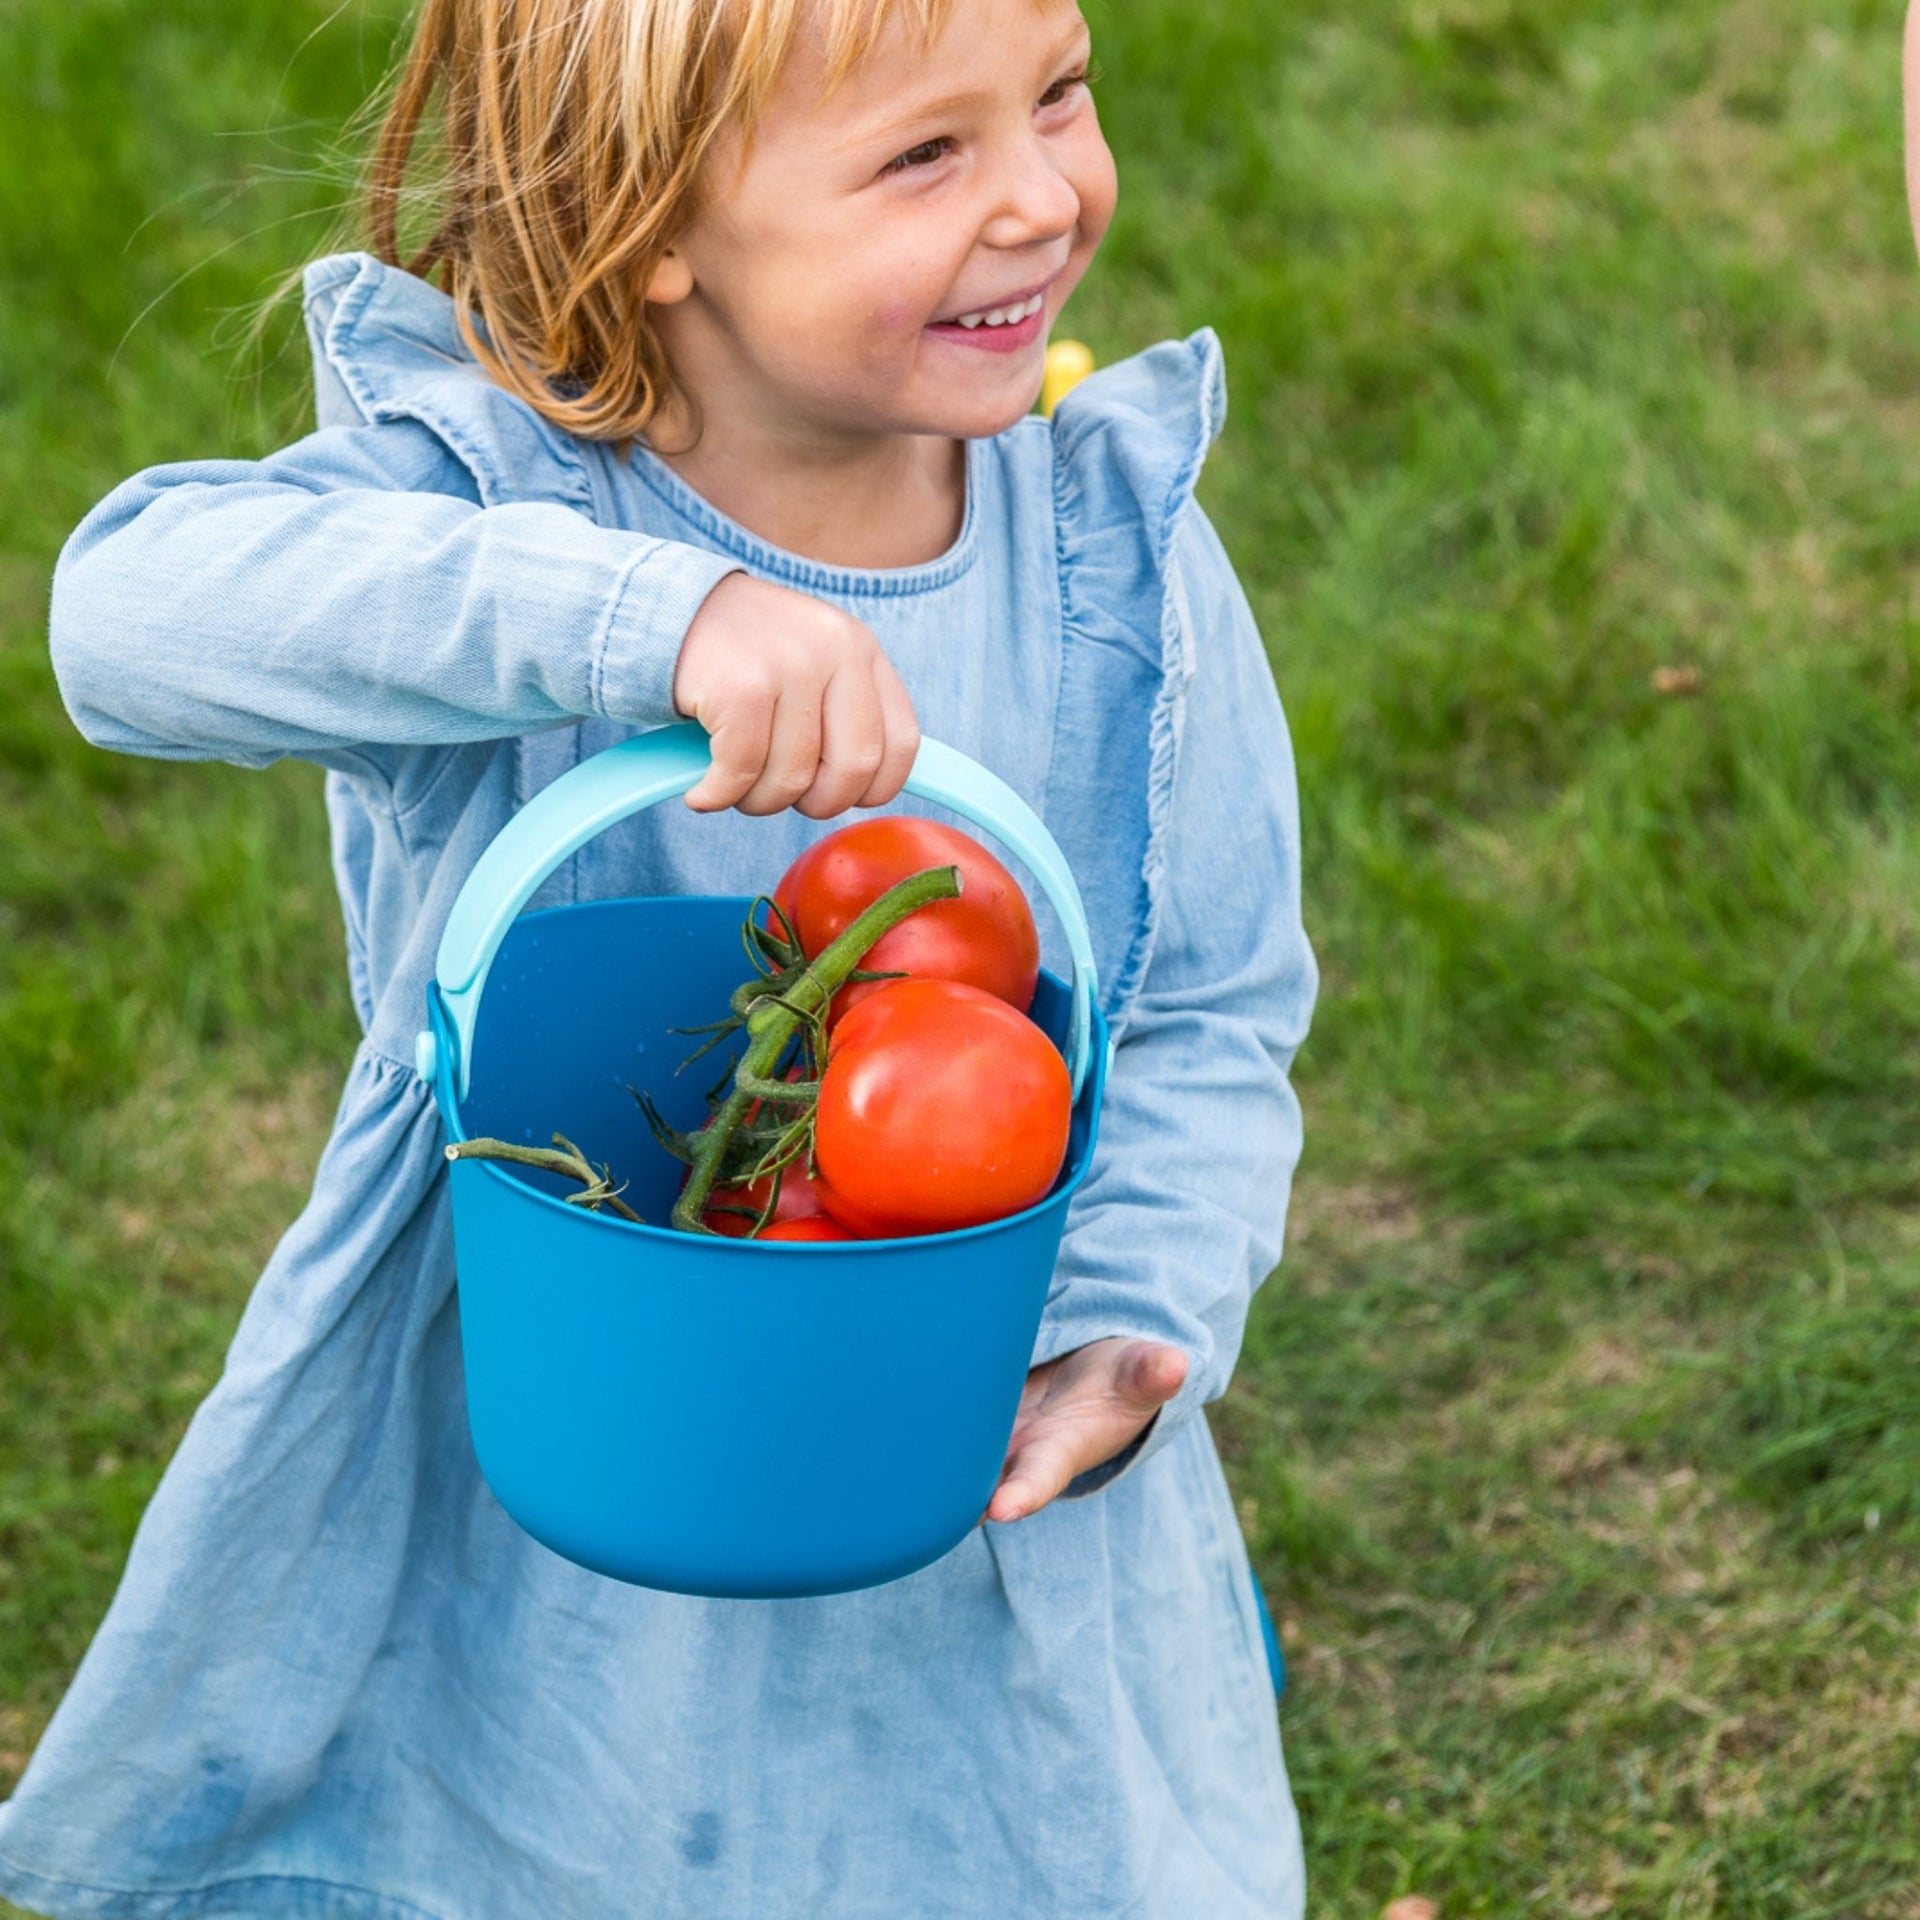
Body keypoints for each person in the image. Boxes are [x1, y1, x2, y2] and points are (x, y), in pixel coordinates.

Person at [0, 0, 1317, 1912]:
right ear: (651, 217)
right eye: (924, 156)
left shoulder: (1116, 561)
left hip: (956, 1441)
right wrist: (644, 614)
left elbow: (1205, 999)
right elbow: (125, 617)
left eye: (1061, 93)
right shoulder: (504, 509)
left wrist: (1123, 1306)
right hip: (558, 1454)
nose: (1042, 194)